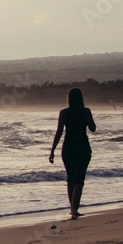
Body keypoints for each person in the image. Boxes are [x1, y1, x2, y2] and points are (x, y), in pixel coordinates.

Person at [48, 88, 96, 218]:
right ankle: (74, 209)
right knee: (79, 179)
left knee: (70, 178)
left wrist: (52, 150)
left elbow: (59, 132)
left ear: (69, 99)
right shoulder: (86, 111)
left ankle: (72, 208)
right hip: (83, 147)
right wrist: (87, 119)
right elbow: (93, 128)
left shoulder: (64, 113)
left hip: (68, 148)